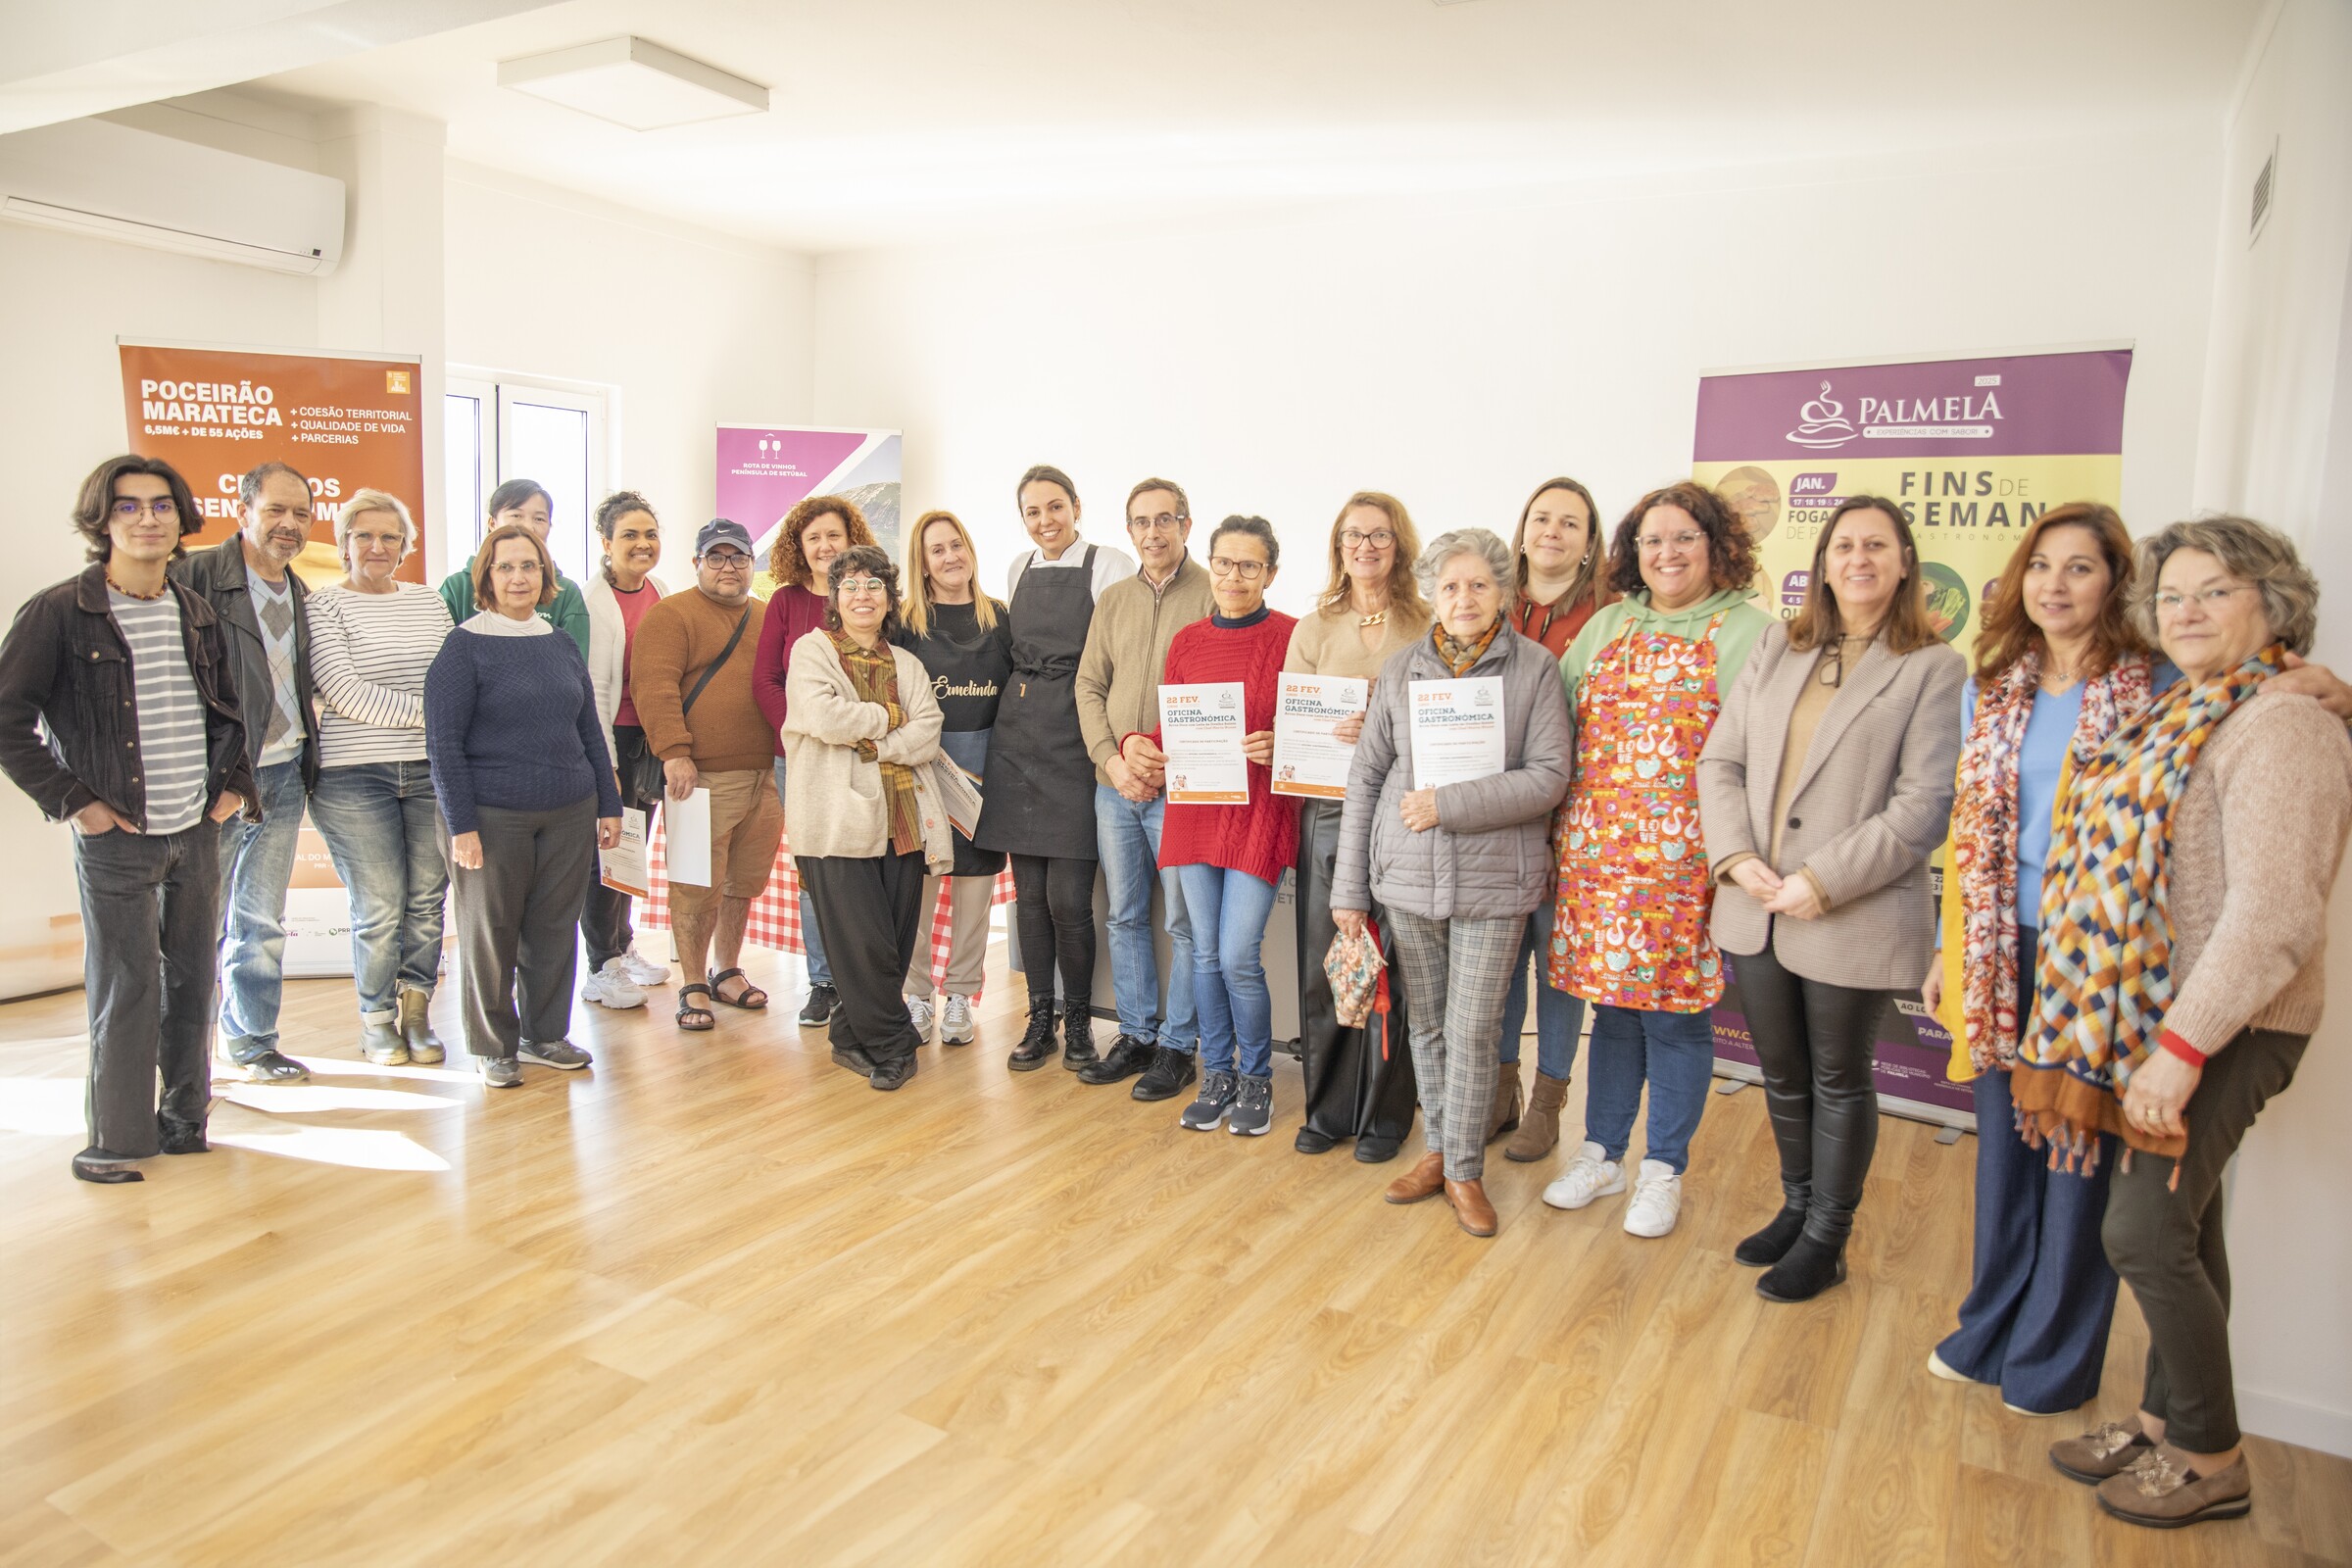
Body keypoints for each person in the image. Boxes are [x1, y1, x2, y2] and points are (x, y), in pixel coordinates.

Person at [1923, 504, 2352, 1414]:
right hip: (2007, 948)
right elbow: (1967, 833)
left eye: (2080, 567)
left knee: (2088, 1170)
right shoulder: (1993, 685)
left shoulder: (2163, 684)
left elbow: (2277, 796)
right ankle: (1994, 1326)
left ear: (2115, 588)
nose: (2055, 585)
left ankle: (2055, 1358)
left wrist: (2338, 690)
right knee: (2007, 1153)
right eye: (2040, 566)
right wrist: (1947, 948)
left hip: (2114, 967)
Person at [2032, 517, 2352, 1530]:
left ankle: (2212, 1453)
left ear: (2273, 603)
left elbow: (2274, 914)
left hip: (2226, 1025)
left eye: (2214, 591)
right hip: (2167, 1016)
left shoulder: (2284, 724)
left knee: (2144, 1230)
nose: (2187, 612)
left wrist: (2178, 1049)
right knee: (2189, 1219)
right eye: (2172, 596)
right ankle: (2162, 1423)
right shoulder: (2202, 710)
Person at [1697, 496, 1965, 1301]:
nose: (1858, 559)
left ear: (1905, 561)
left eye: (1876, 545)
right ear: (1822, 562)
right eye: (1843, 545)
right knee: (1782, 1072)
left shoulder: (1932, 667)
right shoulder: (1781, 644)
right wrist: (1735, 858)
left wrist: (1824, 880)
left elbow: (1924, 805)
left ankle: (1828, 1237)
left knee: (1840, 1077)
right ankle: (1797, 1205)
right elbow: (1721, 764)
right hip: (1757, 899)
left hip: (1850, 907)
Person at [0, 456, 255, 1182]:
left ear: (181, 519)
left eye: (162, 506)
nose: (148, 519)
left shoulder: (197, 610)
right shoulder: (60, 611)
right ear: (102, 520)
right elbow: (7, 718)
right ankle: (116, 1140)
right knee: (127, 984)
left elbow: (234, 713)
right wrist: (75, 803)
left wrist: (232, 788)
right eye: (129, 507)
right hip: (119, 839)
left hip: (196, 832)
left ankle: (184, 1123)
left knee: (193, 980)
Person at [1543, 481, 1774, 1238]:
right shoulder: (1607, 625)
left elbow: (1761, 759)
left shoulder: (1751, 632)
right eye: (1652, 541)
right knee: (1610, 1011)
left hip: (1687, 866)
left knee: (1675, 1018)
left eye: (1684, 538)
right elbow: (1554, 726)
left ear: (1716, 546)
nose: (1667, 553)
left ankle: (1663, 1168)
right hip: (1597, 856)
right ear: (1633, 553)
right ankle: (1602, 1154)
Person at [1332, 528, 1571, 1236]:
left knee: (1472, 1031)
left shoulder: (1534, 669)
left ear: (1504, 592)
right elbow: (1368, 776)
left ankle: (1464, 1170)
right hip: (1406, 880)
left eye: (1479, 586)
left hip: (1495, 884)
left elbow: (1549, 777)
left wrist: (1448, 806)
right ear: (1432, 593)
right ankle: (1439, 1152)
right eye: (1450, 586)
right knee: (1428, 1027)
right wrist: (1350, 888)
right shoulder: (1404, 669)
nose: (1463, 599)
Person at [425, 524, 622, 1086]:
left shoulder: (557, 641)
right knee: (492, 932)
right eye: (505, 567)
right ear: (485, 577)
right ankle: (494, 1046)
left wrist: (608, 804)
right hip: (490, 814)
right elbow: (442, 744)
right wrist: (461, 825)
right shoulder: (464, 645)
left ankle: (544, 1036)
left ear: (545, 576)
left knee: (554, 927)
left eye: (529, 567)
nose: (518, 577)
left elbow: (589, 729)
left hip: (569, 808)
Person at [1129, 516, 1298, 1135]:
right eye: (1224, 563)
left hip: (1258, 816)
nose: (1233, 576)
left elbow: (1307, 729)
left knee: (1236, 956)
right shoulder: (1188, 642)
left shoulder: (1291, 637)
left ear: (1270, 574)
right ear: (1210, 564)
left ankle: (1257, 1079)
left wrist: (1282, 742)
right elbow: (1172, 726)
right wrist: (1137, 744)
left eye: (1249, 566)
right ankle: (1216, 1074)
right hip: (1195, 812)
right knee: (1201, 954)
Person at [973, 465, 1137, 1072]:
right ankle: (1039, 1018)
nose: (1045, 522)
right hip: (1019, 740)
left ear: (1076, 507)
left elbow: (1117, 657)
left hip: (1077, 738)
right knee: (1030, 899)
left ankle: (1078, 1022)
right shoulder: (1019, 568)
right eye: (1033, 512)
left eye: (1055, 508)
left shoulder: (1109, 564)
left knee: (1071, 898)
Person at [1284, 491, 1430, 1161]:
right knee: (1329, 965)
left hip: (1402, 816)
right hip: (1330, 811)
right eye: (1352, 536)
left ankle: (1386, 1116)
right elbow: (1296, 723)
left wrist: (1382, 716)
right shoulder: (1315, 627)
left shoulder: (1427, 622)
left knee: (1395, 970)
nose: (1365, 547)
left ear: (1399, 544)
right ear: (1337, 546)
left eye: (1379, 535)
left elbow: (1440, 728)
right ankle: (1329, 1109)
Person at [171, 461, 322, 1086]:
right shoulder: (193, 578)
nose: (289, 525)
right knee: (194, 923)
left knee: (259, 918)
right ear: (243, 513)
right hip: (217, 782)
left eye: (301, 514)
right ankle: (183, 1061)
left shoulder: (305, 593)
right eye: (276, 511)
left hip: (283, 776)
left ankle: (253, 1042)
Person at [782, 544, 953, 1091]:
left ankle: (849, 1037)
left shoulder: (907, 662)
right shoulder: (813, 652)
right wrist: (889, 715)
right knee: (863, 944)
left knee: (895, 943)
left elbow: (928, 731)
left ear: (889, 597)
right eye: (850, 585)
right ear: (834, 597)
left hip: (904, 819)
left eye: (873, 585)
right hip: (835, 823)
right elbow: (822, 716)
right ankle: (895, 1045)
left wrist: (878, 746)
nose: (862, 595)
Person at [304, 489, 455, 1066]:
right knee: (381, 904)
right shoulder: (324, 606)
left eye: (390, 536)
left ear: (405, 545)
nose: (377, 546)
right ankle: (377, 1021)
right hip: (351, 775)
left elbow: (449, 677)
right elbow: (341, 691)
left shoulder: (428, 602)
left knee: (426, 899)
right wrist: (433, 716)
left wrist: (440, 717)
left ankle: (417, 1016)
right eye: (363, 535)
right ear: (344, 543)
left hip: (430, 770)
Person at [1073, 476, 1213, 1098]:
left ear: (1186, 524)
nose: (1152, 533)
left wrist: (1160, 758)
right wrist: (1112, 759)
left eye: (1164, 520)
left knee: (1184, 923)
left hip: (1182, 788)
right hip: (1114, 786)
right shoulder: (1114, 599)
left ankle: (1179, 1047)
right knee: (1125, 914)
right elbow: (1088, 687)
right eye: (1140, 522)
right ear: (1128, 530)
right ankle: (1136, 1034)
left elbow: (1220, 700)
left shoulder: (1216, 593)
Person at [1494, 476, 1613, 1160]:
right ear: (1523, 529)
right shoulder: (1489, 601)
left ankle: (1547, 1101)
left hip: (1576, 823)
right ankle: (1502, 1091)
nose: (1553, 533)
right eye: (1542, 518)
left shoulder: (1610, 615)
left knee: (1560, 967)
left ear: (1589, 541)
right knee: (1503, 963)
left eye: (1571, 523)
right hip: (1499, 818)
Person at [633, 519, 786, 1032]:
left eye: (737, 558)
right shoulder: (670, 615)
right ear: (696, 563)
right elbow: (654, 687)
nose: (728, 567)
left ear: (751, 565)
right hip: (696, 780)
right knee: (695, 885)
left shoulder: (768, 617)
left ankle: (727, 971)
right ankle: (694, 981)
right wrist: (674, 753)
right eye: (715, 558)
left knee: (743, 884)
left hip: (767, 775)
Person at [753, 494, 880, 1028]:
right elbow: (766, 680)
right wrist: (804, 737)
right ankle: (824, 982)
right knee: (813, 870)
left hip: (866, 756)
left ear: (852, 539)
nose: (825, 546)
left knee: (863, 866)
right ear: (798, 549)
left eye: (834, 535)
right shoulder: (784, 602)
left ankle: (865, 982)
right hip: (801, 760)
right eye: (813, 539)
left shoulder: (872, 597)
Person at [895, 509, 1012, 1046]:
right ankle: (917, 993)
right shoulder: (905, 624)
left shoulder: (1001, 617)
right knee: (917, 886)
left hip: (987, 774)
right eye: (936, 550)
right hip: (923, 772)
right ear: (922, 564)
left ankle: (961, 994)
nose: (950, 557)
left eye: (956, 545)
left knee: (974, 887)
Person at [578, 490, 669, 1005]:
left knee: (633, 847)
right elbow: (593, 689)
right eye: (630, 535)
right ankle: (601, 964)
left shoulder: (659, 588)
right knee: (606, 852)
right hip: (612, 738)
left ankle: (624, 943)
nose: (642, 544)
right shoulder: (592, 602)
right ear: (606, 543)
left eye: (650, 534)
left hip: (651, 741)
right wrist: (604, 763)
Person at [436, 478, 590, 658]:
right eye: (516, 515)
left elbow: (575, 670)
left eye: (539, 518)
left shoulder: (566, 592)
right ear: (492, 523)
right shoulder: (457, 588)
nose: (527, 526)